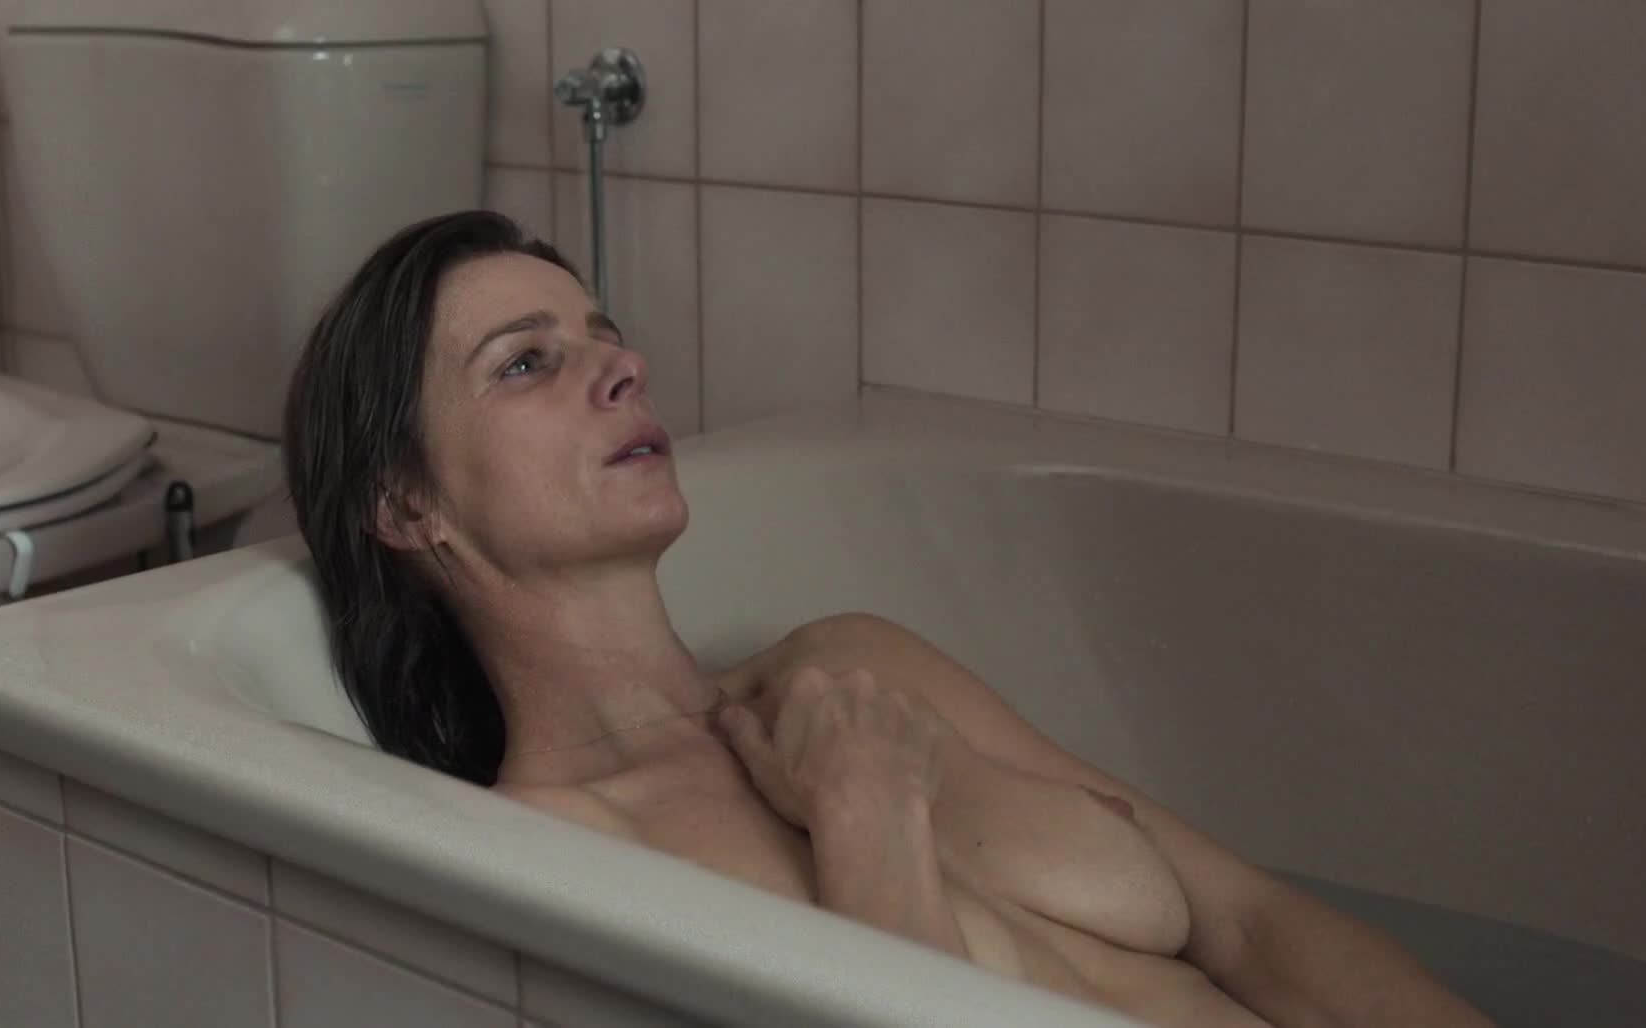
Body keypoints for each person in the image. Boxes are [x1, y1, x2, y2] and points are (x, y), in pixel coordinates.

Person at [282, 211, 1492, 1028]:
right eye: (524, 363)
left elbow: (1249, 918)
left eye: (603, 334)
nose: (623, 366)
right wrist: (869, 830)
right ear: (406, 503)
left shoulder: (853, 668)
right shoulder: (552, 851)